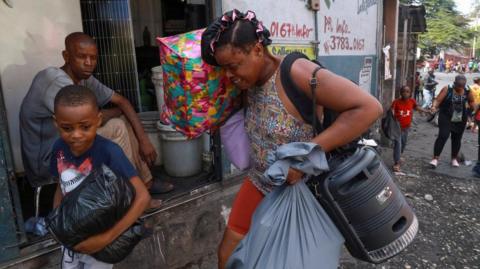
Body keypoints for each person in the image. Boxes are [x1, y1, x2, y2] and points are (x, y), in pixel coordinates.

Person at [200, 9, 383, 269]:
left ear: (257, 50)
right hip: (259, 182)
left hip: (299, 193)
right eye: (224, 69)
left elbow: (368, 108)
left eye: (233, 66)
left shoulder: (296, 72)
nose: (229, 75)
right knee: (227, 258)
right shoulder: (246, 82)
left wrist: (305, 157)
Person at [19, 32, 173, 201]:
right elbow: (85, 120)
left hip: (72, 144)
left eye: (93, 58)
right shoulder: (54, 79)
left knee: (122, 120)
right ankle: (131, 197)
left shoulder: (84, 78)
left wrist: (144, 140)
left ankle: (145, 184)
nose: (88, 63)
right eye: (82, 57)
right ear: (66, 56)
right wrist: (111, 113)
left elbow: (121, 102)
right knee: (117, 126)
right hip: (49, 162)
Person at [51, 85, 151, 269]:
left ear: (98, 120)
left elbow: (143, 197)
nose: (76, 135)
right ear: (55, 123)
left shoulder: (108, 152)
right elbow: (60, 185)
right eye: (67, 128)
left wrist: (106, 238)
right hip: (71, 240)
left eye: (85, 127)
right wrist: (59, 226)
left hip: (101, 243)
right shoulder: (59, 148)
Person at [429, 75, 475, 168]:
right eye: (458, 86)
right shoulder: (447, 89)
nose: (460, 89)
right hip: (446, 116)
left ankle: (454, 158)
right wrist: (434, 107)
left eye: (462, 87)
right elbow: (437, 100)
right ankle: (435, 158)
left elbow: (471, 102)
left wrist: (472, 112)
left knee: (457, 138)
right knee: (443, 135)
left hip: (460, 118)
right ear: (455, 84)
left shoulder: (467, 90)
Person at [391, 86, 428, 172]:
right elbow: (391, 111)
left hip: (406, 127)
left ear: (410, 93)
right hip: (397, 128)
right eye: (404, 91)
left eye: (407, 92)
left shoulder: (412, 101)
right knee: (398, 144)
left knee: (403, 143)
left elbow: (416, 107)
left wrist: (425, 111)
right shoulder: (396, 102)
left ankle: (399, 156)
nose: (405, 93)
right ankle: (396, 163)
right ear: (401, 93)